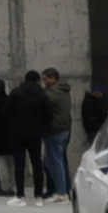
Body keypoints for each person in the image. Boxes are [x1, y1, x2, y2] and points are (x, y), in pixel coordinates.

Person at [5, 70, 50, 207]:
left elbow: (6, 112)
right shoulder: (42, 94)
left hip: (18, 134)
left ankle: (20, 196)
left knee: (19, 165)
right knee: (37, 164)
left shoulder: (16, 92)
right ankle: (38, 197)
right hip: (35, 134)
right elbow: (48, 115)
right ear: (37, 80)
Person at [42, 67, 73, 203]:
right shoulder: (63, 91)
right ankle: (64, 190)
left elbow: (42, 102)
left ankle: (61, 193)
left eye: (46, 79)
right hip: (64, 130)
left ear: (53, 78)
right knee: (60, 161)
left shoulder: (52, 92)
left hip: (54, 131)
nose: (44, 82)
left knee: (54, 162)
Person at [81, 84, 108, 152]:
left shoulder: (95, 100)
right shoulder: (89, 102)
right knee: (94, 149)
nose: (102, 95)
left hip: (95, 129)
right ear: (96, 92)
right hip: (93, 130)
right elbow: (89, 119)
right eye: (101, 93)